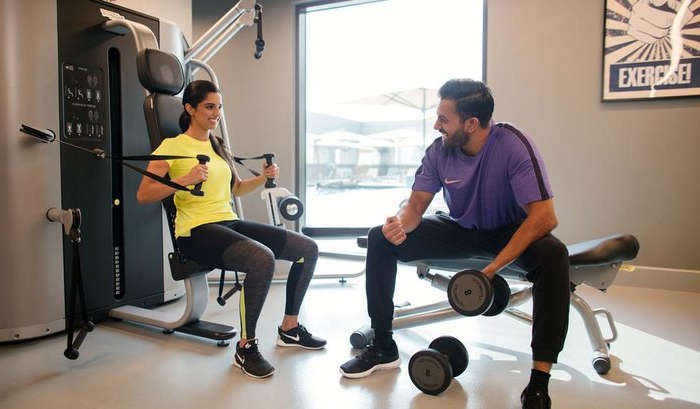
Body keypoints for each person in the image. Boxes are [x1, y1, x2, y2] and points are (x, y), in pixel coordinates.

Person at [339, 79, 569, 409]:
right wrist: (398, 226)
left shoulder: (512, 144)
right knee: (379, 237)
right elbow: (415, 206)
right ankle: (384, 347)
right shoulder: (440, 150)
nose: (437, 125)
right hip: (459, 228)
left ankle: (539, 380)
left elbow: (544, 217)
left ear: (471, 124)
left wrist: (492, 270)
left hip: (507, 231)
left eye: (444, 119)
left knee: (554, 254)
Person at [136, 80, 326, 379]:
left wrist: (262, 178)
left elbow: (235, 188)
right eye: (209, 107)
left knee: (307, 248)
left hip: (227, 221)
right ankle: (245, 347)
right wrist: (184, 180)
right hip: (195, 231)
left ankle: (289, 329)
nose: (216, 113)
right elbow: (144, 194)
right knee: (261, 258)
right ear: (190, 109)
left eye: (219, 107)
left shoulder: (217, 145)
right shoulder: (171, 146)